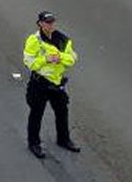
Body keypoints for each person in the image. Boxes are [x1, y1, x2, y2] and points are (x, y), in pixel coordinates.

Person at [24, 11, 80, 159]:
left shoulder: (62, 39)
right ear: (40, 24)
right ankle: (33, 143)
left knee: (62, 111)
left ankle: (63, 139)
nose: (50, 25)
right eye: (47, 22)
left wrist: (60, 57)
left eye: (52, 22)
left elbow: (72, 59)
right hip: (40, 83)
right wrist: (46, 59)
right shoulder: (34, 40)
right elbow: (29, 62)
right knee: (37, 113)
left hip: (56, 82)